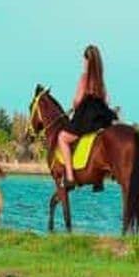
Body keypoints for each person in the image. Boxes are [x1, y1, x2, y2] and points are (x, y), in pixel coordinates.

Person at [57, 45, 117, 189]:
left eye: (84, 59)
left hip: (86, 115)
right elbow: (105, 99)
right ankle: (98, 179)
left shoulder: (84, 78)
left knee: (62, 138)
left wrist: (74, 106)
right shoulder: (99, 80)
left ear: (87, 60)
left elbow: (77, 100)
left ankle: (70, 177)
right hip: (101, 115)